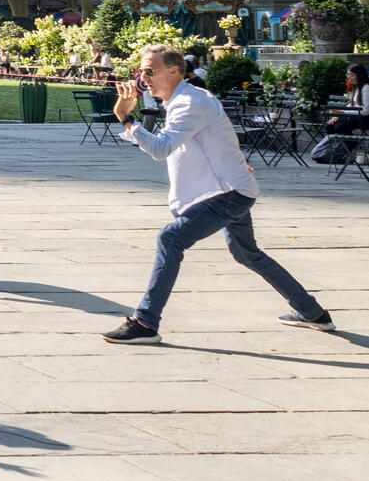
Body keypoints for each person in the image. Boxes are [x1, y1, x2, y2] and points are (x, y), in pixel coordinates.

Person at [102, 45, 333, 345]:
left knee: (170, 239)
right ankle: (313, 313)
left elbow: (161, 149)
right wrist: (235, 162)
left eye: (149, 71)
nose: (143, 78)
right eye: (141, 71)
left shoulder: (189, 102)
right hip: (230, 189)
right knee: (246, 253)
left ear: (173, 72)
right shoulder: (186, 100)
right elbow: (223, 135)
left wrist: (126, 119)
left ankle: (145, 322)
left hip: (226, 193)